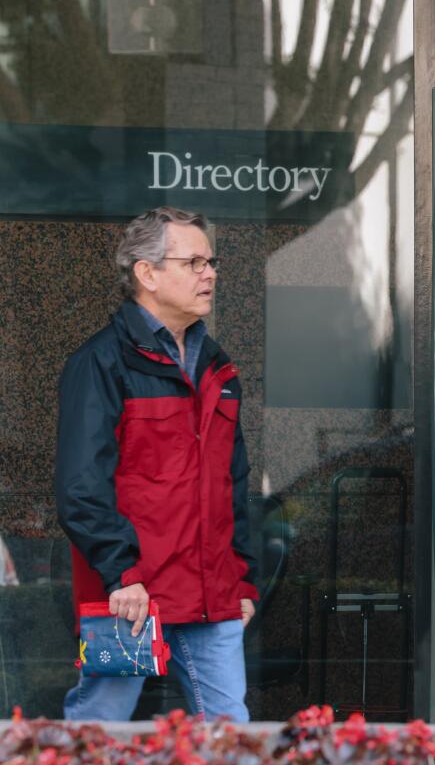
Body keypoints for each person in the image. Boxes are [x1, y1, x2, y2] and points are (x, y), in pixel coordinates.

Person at [55, 207, 256, 721]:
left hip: (213, 599)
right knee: (98, 733)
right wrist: (121, 574)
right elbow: (81, 486)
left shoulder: (217, 366)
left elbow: (233, 486)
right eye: (193, 262)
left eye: (211, 261)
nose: (209, 273)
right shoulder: (100, 363)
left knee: (230, 738)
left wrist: (243, 582)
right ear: (147, 274)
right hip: (129, 599)